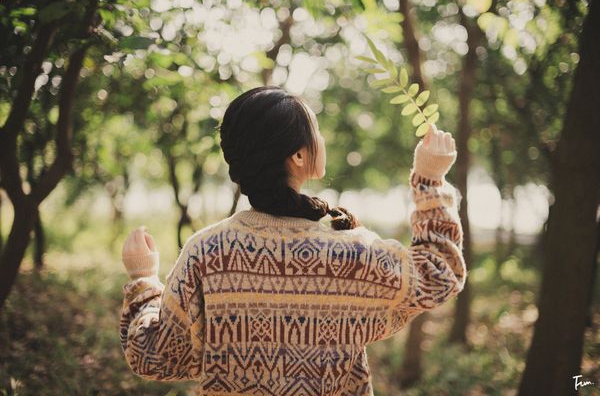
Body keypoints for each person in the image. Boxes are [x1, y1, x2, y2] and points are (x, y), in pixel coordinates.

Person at [120, 86, 466, 396]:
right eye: (316, 131)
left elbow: (156, 357)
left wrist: (143, 280)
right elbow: (439, 275)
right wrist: (430, 181)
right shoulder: (350, 253)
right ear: (298, 156)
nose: (322, 140)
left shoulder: (207, 252)